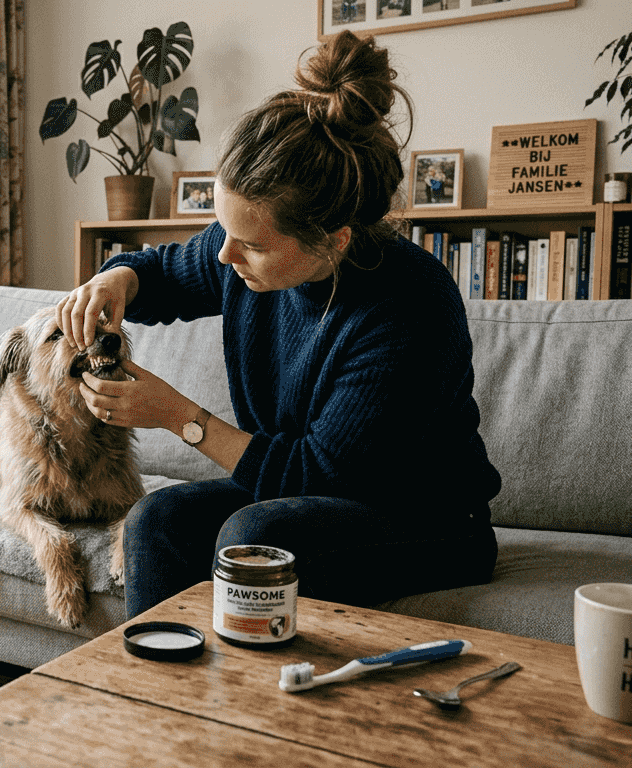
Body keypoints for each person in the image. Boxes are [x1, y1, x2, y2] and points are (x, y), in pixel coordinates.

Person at [56, 30, 501, 618]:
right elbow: (163, 271)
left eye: (250, 245)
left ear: (333, 240)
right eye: (224, 231)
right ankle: (162, 699)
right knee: (156, 520)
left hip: (427, 521)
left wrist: (177, 417)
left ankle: (245, 706)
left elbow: (315, 474)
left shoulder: (406, 306)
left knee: (256, 538)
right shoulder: (248, 255)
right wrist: (114, 281)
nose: (224, 258)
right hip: (296, 495)